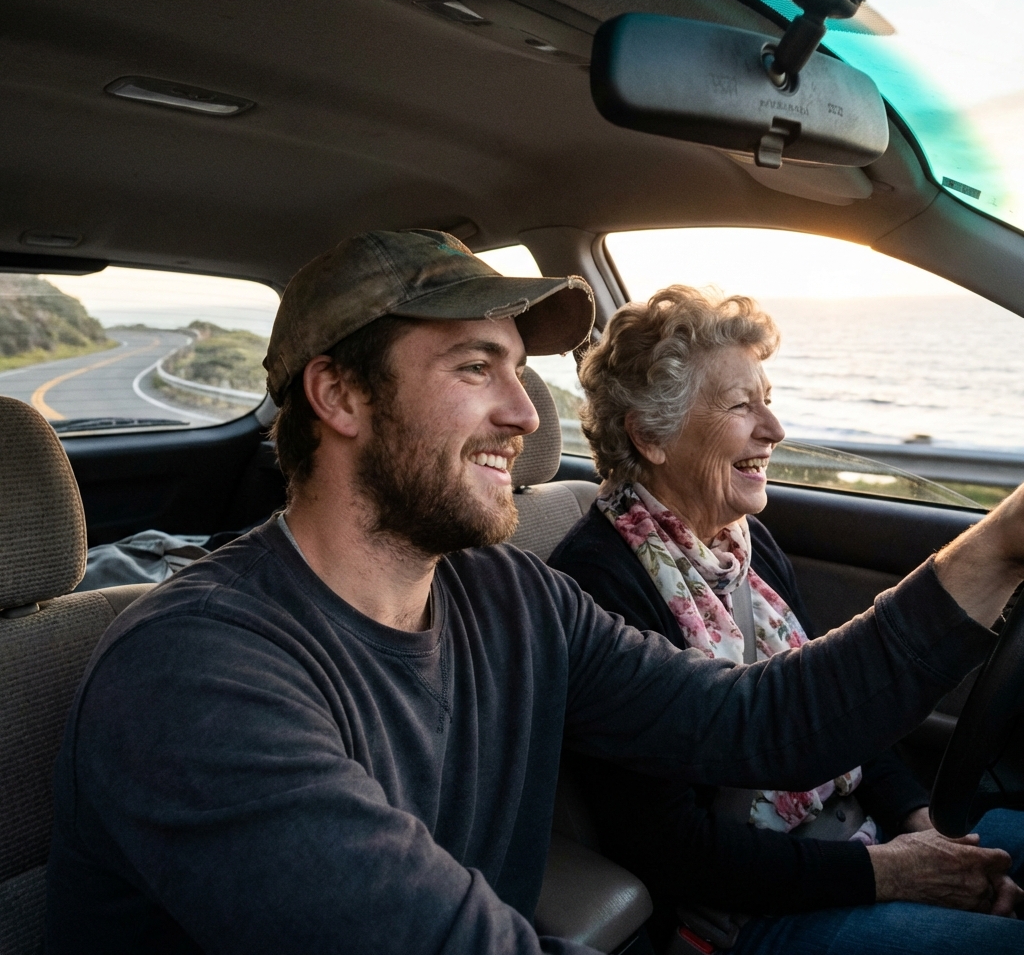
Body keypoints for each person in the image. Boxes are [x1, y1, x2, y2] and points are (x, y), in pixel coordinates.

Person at [45, 230, 1024, 955]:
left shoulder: (509, 597)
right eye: (477, 367)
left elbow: (760, 721)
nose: (524, 412)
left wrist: (1003, 546)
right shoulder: (194, 676)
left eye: (519, 368)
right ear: (339, 395)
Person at [548, 284, 1024, 954]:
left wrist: (921, 825)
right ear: (651, 435)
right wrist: (887, 873)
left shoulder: (746, 541)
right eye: (743, 406)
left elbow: (842, 712)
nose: (774, 430)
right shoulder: (598, 582)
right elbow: (672, 846)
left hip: (856, 840)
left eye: (767, 401)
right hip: (745, 909)